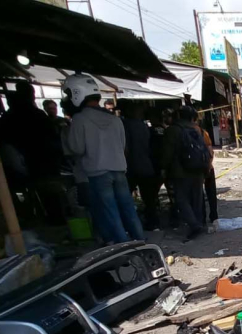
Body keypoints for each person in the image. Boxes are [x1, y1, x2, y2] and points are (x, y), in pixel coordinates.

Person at [64, 74, 144, 244]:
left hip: (98, 172)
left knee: (110, 210)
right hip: (119, 169)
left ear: (77, 94)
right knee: (128, 208)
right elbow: (123, 147)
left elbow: (76, 148)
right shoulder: (114, 119)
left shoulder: (80, 119)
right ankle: (140, 241)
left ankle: (123, 246)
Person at [161, 106, 207, 240]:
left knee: (182, 199)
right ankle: (198, 222)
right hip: (198, 169)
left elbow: (167, 153)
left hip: (180, 171)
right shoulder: (196, 129)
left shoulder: (173, 130)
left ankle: (194, 225)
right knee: (197, 198)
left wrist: (163, 167)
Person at [122, 103, 160, 231]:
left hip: (130, 167)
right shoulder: (143, 126)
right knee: (149, 199)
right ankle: (153, 222)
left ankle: (131, 226)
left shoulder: (126, 126)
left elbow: (125, 149)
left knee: (126, 199)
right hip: (146, 165)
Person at [193, 111, 218, 223]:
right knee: (211, 193)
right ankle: (214, 216)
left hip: (195, 169)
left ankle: (201, 218)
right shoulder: (204, 133)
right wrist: (209, 165)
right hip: (207, 167)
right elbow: (210, 151)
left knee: (198, 195)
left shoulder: (184, 133)